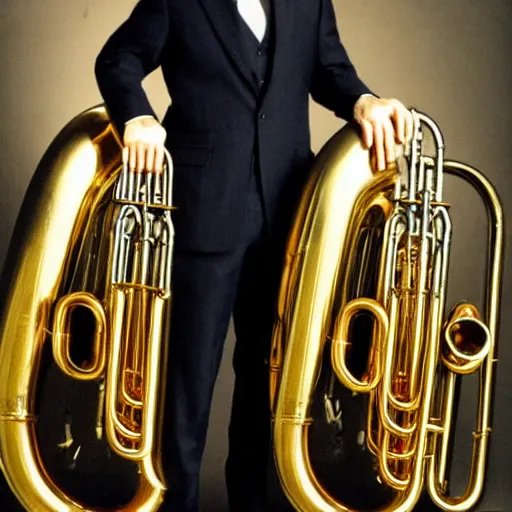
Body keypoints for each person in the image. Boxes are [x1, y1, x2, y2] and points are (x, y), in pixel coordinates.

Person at [94, 0, 413, 510]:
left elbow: (330, 69)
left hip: (288, 211)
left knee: (270, 380)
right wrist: (137, 116)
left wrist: (364, 100)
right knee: (185, 385)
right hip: (203, 208)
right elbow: (118, 59)